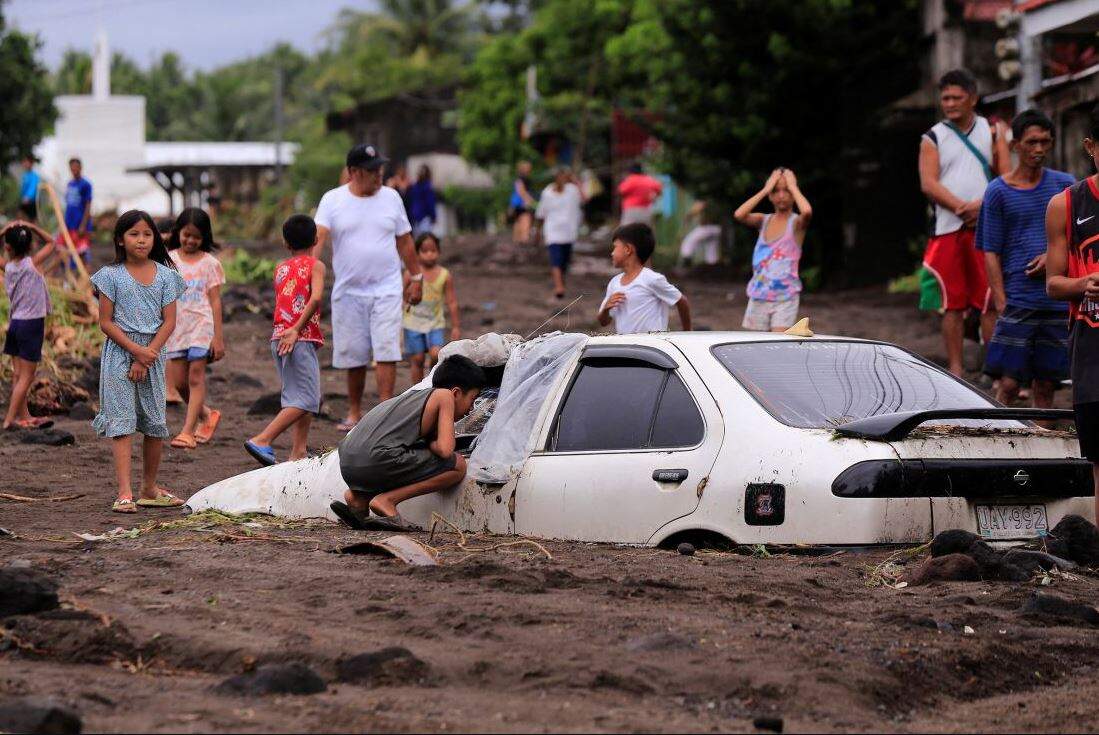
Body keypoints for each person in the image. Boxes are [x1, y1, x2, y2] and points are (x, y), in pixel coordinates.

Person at [314, 144, 424, 431]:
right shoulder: (332, 200)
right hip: (348, 290)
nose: (378, 175)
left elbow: (405, 240)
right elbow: (319, 237)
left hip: (387, 287)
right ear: (353, 172)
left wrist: (417, 278)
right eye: (372, 170)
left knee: (387, 349)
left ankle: (384, 411)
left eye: (379, 169)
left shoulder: (391, 198)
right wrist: (306, 272)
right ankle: (354, 413)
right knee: (354, 354)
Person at [978, 109, 1075, 412]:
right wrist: (1000, 299)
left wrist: (1054, 256)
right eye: (1031, 142)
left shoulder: (1065, 185)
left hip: (1057, 298)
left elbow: (1080, 237)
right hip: (1018, 298)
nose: (1039, 150)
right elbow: (989, 249)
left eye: (1045, 142)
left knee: (1047, 383)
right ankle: (998, 441)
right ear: (1015, 144)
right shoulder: (997, 192)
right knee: (1007, 383)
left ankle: (1042, 452)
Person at [90, 210, 186, 514]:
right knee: (122, 423)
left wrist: (147, 355)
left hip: (154, 355)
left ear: (155, 238)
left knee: (155, 423)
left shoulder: (167, 276)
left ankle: (149, 488)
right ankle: (124, 491)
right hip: (120, 354)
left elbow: (169, 322)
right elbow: (106, 322)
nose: (141, 240)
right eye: (133, 234)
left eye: (147, 234)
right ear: (121, 239)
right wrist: (136, 351)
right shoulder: (110, 276)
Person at [918, 69, 1010, 376]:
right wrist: (961, 207)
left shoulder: (994, 131)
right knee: (952, 303)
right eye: (945, 98)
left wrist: (982, 206)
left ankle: (991, 369)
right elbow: (928, 184)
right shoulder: (932, 137)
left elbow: (1006, 177)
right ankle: (956, 370)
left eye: (957, 97)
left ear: (973, 98)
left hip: (986, 227)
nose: (950, 103)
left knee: (988, 300)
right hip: (947, 228)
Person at [330, 354, 487, 531]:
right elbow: (445, 450)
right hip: (376, 459)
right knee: (457, 465)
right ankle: (387, 501)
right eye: (472, 400)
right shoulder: (444, 396)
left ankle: (358, 499)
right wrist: (433, 444)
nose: (471, 409)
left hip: (348, 464)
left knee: (401, 457)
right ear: (456, 393)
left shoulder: (412, 398)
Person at [1046, 103, 1099, 522]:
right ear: (1090, 147)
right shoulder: (1066, 204)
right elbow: (1053, 283)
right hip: (1092, 344)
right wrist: (1084, 284)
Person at [245, 215, 326, 466]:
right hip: (296, 337)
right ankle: (262, 439)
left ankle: (298, 451)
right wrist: (296, 330)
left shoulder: (280, 268)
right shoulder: (316, 265)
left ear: (285, 243)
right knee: (308, 399)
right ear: (315, 239)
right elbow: (315, 298)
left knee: (298, 396)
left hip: (279, 337)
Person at [164, 208, 226, 449]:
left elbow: (215, 301)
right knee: (179, 384)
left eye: (196, 237)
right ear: (178, 232)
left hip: (202, 326)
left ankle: (187, 432)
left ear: (205, 238)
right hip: (177, 328)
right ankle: (207, 415)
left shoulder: (210, 263)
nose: (190, 241)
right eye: (186, 235)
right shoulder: (169, 261)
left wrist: (218, 338)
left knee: (195, 378)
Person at [734, 168, 813, 332]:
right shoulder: (763, 220)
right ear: (770, 195)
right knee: (756, 346)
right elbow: (739, 214)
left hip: (785, 298)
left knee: (777, 344)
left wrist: (793, 186)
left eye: (787, 191)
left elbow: (806, 211)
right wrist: (765, 189)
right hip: (758, 295)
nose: (782, 195)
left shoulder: (796, 224)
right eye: (776, 191)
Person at [0, 221, 54, 430]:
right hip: (31, 326)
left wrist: (5, 231)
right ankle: (9, 420)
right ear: (31, 246)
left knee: (17, 374)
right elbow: (52, 242)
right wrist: (32, 226)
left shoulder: (8, 267)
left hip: (14, 324)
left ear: (7, 247)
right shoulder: (33, 263)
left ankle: (23, 415)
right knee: (26, 377)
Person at [597, 222, 691, 334]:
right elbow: (603, 322)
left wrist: (687, 333)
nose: (612, 253)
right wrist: (606, 309)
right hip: (626, 348)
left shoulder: (652, 279)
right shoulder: (614, 283)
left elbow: (681, 301)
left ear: (628, 249)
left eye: (615, 247)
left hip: (652, 348)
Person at [403, 232, 460, 385]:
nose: (429, 255)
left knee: (436, 354)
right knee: (417, 358)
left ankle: (431, 383)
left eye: (433, 251)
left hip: (435, 323)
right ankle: (416, 390)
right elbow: (402, 298)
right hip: (412, 323)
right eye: (425, 251)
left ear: (438, 251)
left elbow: (452, 301)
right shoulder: (410, 275)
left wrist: (455, 326)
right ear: (416, 253)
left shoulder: (444, 275)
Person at [535, 167, 585, 299]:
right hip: (553, 231)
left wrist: (575, 181)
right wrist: (538, 231)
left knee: (564, 262)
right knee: (555, 259)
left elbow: (585, 198)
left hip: (569, 232)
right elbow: (541, 214)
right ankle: (559, 287)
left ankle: (560, 282)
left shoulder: (572, 191)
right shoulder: (547, 193)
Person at [62, 157, 94, 269]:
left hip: (80, 225)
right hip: (70, 225)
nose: (74, 170)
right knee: (69, 252)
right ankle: (73, 280)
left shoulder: (86, 185)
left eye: (76, 167)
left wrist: (83, 225)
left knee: (83, 252)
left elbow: (88, 205)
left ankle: (88, 279)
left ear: (80, 168)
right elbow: (69, 205)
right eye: (72, 168)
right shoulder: (70, 184)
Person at [677, 200, 722, 268]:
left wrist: (688, 216)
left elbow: (696, 210)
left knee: (688, 241)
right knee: (711, 250)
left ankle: (686, 265)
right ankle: (712, 269)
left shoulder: (704, 199)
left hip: (707, 228)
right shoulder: (716, 201)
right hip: (718, 229)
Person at [618, 162, 663, 227]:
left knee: (626, 232)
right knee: (644, 232)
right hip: (645, 210)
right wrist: (653, 197)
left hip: (631, 210)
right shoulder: (648, 179)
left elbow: (621, 191)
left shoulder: (630, 179)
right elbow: (659, 188)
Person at [508, 160, 537, 245]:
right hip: (522, 203)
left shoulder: (518, 178)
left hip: (516, 203)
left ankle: (517, 239)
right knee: (526, 218)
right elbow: (521, 191)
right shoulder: (522, 179)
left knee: (518, 220)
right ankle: (524, 238)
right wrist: (529, 200)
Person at [407, 165, 437, 238]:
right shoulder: (427, 187)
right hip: (424, 218)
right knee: (424, 240)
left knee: (418, 242)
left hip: (415, 217)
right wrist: (433, 217)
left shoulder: (414, 187)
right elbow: (430, 204)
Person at [18, 156, 40, 222]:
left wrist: (28, 197)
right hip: (24, 201)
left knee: (32, 221)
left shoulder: (34, 176)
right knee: (21, 219)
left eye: (27, 162)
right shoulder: (25, 175)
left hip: (31, 202)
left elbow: (33, 188)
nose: (25, 164)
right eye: (25, 162)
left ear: (31, 164)